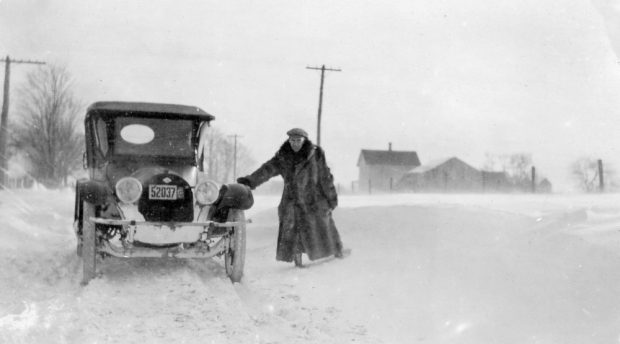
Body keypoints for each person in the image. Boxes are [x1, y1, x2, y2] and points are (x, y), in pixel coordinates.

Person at [237, 128, 344, 267]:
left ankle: (337, 251)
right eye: (292, 140)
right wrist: (250, 181)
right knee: (293, 228)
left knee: (324, 225)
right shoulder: (283, 156)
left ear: (304, 140)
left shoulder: (315, 154)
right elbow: (267, 169)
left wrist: (331, 197)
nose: (295, 144)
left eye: (298, 141)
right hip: (291, 198)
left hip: (314, 198)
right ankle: (297, 258)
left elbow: (325, 177)